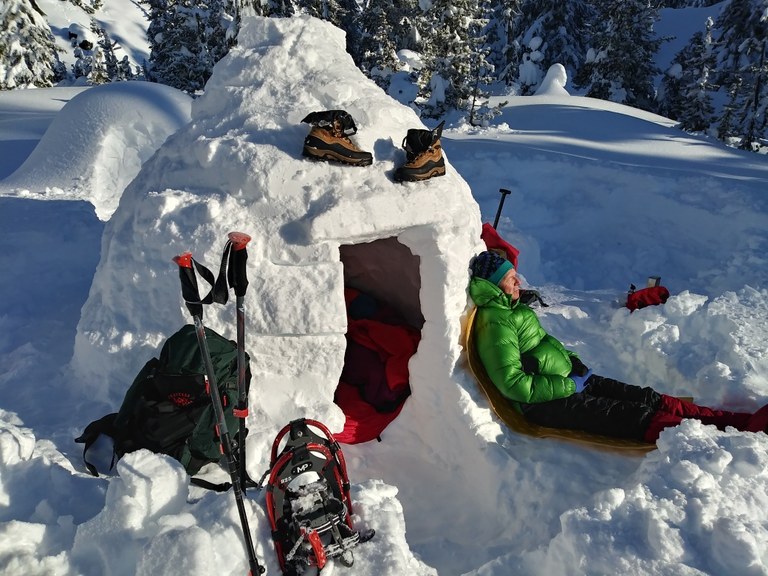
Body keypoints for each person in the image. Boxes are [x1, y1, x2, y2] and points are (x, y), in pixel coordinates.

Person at [468, 250, 768, 442]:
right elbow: (513, 385)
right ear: (494, 285)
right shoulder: (496, 323)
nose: (519, 281)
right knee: (634, 415)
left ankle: (737, 422)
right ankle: (729, 441)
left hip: (569, 382)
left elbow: (546, 344)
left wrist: (573, 362)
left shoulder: (513, 309)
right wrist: (570, 386)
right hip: (546, 403)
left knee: (646, 397)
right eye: (510, 278)